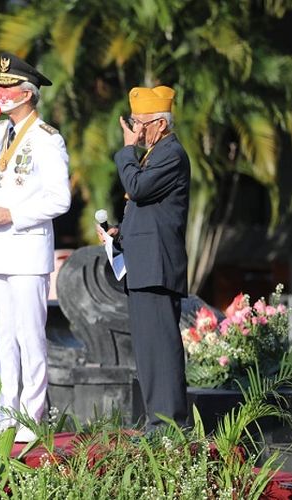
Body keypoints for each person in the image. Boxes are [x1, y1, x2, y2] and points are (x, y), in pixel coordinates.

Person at [0, 52, 71, 442]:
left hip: (27, 249)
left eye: (8, 87)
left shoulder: (47, 139)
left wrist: (12, 213)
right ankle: (5, 408)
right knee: (0, 334)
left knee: (30, 335)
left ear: (26, 94)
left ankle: (33, 414)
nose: (0, 92)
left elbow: (59, 199)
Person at [102, 85, 190, 431]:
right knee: (148, 352)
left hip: (157, 266)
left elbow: (137, 189)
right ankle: (157, 421)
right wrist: (119, 233)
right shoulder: (154, 153)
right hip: (143, 265)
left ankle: (169, 426)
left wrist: (125, 149)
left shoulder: (171, 153)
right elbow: (150, 210)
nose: (136, 130)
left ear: (161, 124)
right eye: (134, 123)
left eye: (141, 123)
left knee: (161, 349)